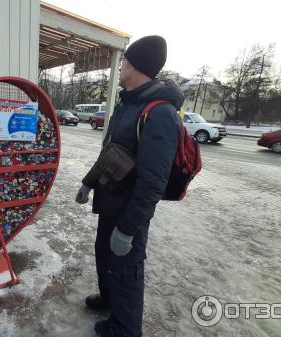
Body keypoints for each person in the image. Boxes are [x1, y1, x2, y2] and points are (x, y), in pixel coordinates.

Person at [75, 35, 184, 337]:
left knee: (127, 269)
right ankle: (110, 301)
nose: (120, 67)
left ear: (134, 66)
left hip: (129, 211)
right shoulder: (128, 105)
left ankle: (124, 328)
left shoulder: (159, 114)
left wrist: (129, 228)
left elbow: (152, 183)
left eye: (123, 62)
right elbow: (111, 154)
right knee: (105, 256)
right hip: (110, 201)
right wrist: (88, 181)